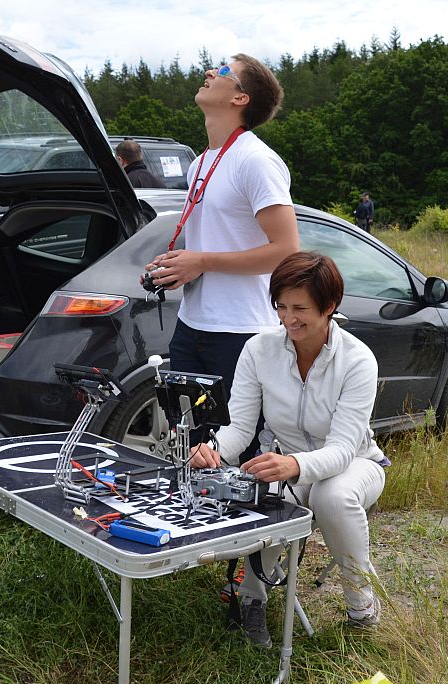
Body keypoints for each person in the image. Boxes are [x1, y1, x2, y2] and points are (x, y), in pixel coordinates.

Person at [190, 252, 388, 647]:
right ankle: (252, 599)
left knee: (332, 496)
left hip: (355, 464)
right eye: (281, 306)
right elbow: (239, 427)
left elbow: (342, 450)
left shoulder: (358, 360)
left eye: (300, 309)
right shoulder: (258, 349)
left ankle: (362, 607)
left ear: (330, 306)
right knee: (259, 491)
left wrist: (294, 464)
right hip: (283, 460)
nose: (287, 318)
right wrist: (212, 450)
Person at [144, 54, 299, 459]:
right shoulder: (200, 163)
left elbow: (286, 250)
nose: (210, 72)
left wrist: (202, 261)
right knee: (192, 448)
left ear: (240, 98)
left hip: (241, 332)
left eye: (225, 71)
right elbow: (215, 240)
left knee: (237, 456)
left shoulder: (256, 160)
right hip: (191, 325)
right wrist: (178, 267)